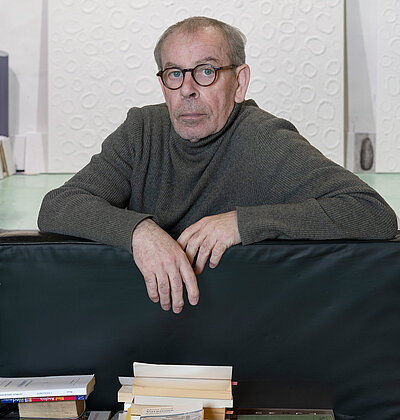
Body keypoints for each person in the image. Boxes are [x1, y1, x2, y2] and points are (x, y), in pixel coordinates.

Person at [38, 16, 398, 314]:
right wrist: (140, 233)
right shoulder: (141, 131)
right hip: (145, 331)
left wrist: (242, 223)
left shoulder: (264, 140)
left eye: (206, 71)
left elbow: (373, 213)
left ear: (239, 83)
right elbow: (59, 205)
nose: (187, 89)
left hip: (245, 329)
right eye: (174, 73)